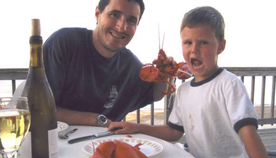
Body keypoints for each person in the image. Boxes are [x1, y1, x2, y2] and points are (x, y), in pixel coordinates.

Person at [108, 6, 276, 158]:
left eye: (203, 42)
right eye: (187, 42)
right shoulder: (184, 90)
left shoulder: (229, 84)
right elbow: (173, 132)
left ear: (220, 46)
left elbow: (249, 134)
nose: (194, 49)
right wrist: (135, 127)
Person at [42, 0, 188, 127]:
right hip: (55, 143)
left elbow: (154, 94)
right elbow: (39, 109)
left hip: (101, 144)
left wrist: (165, 74)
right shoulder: (64, 43)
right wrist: (98, 120)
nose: (121, 26)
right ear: (98, 14)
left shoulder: (130, 65)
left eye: (131, 20)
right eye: (115, 15)